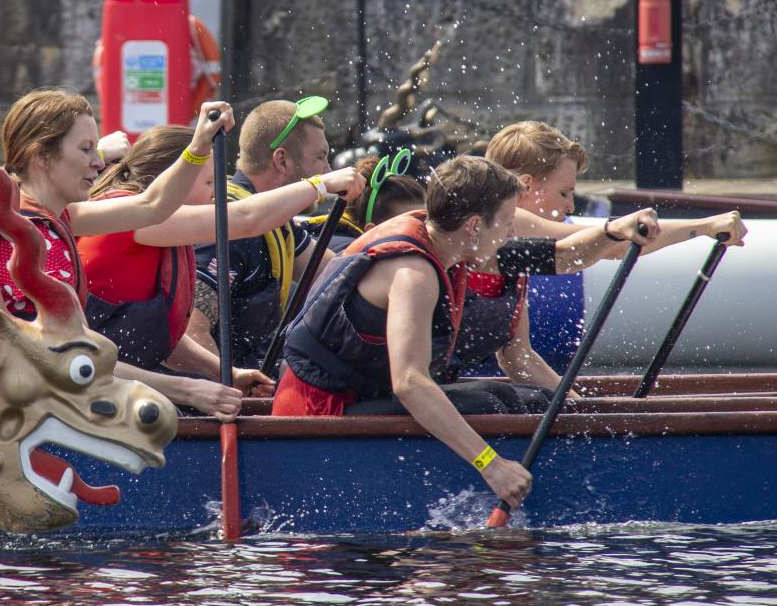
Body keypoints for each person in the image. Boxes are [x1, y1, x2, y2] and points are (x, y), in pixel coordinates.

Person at [270, 156, 661, 510]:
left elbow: (559, 258)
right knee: (490, 402)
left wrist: (613, 231)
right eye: (507, 223)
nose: (510, 233)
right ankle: (503, 485)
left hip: (361, 399)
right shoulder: (414, 274)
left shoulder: (452, 242)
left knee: (518, 396)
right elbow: (409, 382)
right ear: (475, 225)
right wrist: (490, 465)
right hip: (317, 417)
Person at [0, 89, 250, 415]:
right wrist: (186, 389)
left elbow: (153, 204)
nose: (98, 161)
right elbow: (59, 362)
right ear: (42, 157)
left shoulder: (44, 216)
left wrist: (198, 145)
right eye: (86, 149)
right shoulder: (20, 237)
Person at [76, 124, 363, 418]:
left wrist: (228, 374)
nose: (215, 195)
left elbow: (166, 342)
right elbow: (245, 218)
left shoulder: (166, 233)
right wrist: (321, 185)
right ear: (174, 179)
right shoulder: (130, 216)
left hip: (113, 387)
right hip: (80, 393)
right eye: (210, 183)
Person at [466, 121, 748, 388]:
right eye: (565, 193)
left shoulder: (511, 248)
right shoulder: (514, 219)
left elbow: (518, 360)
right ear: (526, 185)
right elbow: (615, 245)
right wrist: (705, 226)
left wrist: (582, 410)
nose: (570, 206)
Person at [190, 98, 342, 369]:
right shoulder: (232, 228)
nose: (328, 170)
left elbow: (338, 272)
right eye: (320, 157)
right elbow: (192, 331)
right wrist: (235, 390)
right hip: (219, 402)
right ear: (281, 160)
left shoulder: (278, 223)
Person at [305, 158, 425, 252]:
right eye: (414, 223)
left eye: (427, 219)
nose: (427, 231)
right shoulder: (350, 259)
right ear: (373, 231)